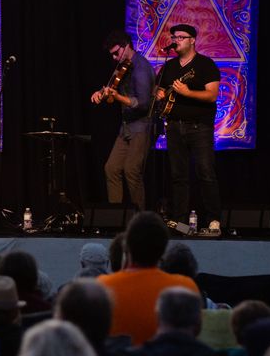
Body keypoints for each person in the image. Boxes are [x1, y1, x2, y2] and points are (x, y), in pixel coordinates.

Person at [153, 24, 222, 235]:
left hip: (199, 127)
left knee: (205, 172)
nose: (176, 41)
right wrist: (159, 94)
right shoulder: (170, 66)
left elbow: (211, 95)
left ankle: (213, 221)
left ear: (192, 40)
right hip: (174, 127)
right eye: (174, 37)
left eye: (181, 37)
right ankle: (181, 224)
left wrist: (187, 92)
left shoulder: (205, 65)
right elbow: (159, 87)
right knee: (178, 176)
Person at [97, 211, 200, 346]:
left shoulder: (101, 288)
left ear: (127, 247)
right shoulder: (185, 288)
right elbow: (195, 333)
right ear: (163, 249)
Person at [91, 30, 155, 209]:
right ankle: (116, 217)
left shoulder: (141, 68)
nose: (113, 57)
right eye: (111, 54)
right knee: (111, 168)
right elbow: (112, 88)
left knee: (131, 170)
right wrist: (101, 93)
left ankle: (140, 219)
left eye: (116, 52)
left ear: (127, 46)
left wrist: (118, 97)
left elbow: (143, 103)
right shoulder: (124, 64)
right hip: (126, 126)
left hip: (141, 126)